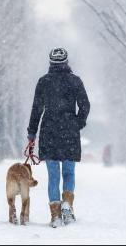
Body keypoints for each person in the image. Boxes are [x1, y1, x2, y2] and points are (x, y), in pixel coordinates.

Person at [27, 48, 90, 228]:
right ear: (66, 62)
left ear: (50, 62)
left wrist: (32, 133)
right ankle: (67, 208)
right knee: (69, 171)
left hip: (49, 131)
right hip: (69, 131)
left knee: (53, 175)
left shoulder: (43, 82)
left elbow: (36, 110)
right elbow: (85, 105)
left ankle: (55, 215)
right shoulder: (75, 81)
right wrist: (78, 123)